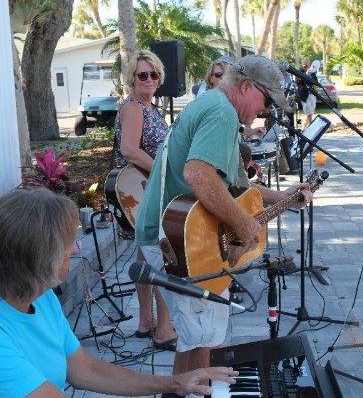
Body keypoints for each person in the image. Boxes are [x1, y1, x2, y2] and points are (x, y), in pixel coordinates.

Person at [0, 188, 237, 397]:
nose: (76, 249)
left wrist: (174, 383)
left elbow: (84, 369)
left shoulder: (39, 295)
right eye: (69, 245)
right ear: (40, 258)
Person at [134, 55, 314, 396]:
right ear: (246, 87)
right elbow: (198, 175)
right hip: (176, 239)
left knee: (193, 335)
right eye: (265, 100)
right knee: (203, 336)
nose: (264, 110)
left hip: (175, 235)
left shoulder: (215, 105)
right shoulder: (221, 112)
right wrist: (243, 224)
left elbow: (229, 184)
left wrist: (280, 196)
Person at [114, 49, 178, 350]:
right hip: (147, 193)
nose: (149, 79)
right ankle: (165, 329)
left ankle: (145, 322)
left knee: (145, 257)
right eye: (142, 74)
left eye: (153, 73)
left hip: (145, 192)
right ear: (132, 79)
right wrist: (162, 174)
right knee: (163, 257)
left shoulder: (148, 108)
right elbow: (128, 149)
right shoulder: (134, 109)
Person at [295, 58, 318, 131]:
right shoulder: (299, 72)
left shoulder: (313, 72)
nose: (305, 67)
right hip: (304, 95)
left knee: (310, 113)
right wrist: (306, 74)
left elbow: (315, 82)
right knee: (309, 112)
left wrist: (311, 75)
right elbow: (297, 80)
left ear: (309, 64)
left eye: (307, 65)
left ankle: (303, 129)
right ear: (302, 65)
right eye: (304, 65)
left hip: (311, 94)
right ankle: (312, 128)